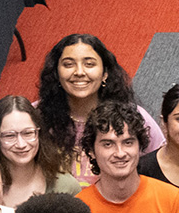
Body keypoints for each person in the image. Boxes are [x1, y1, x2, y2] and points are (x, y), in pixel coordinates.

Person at [36, 33, 164, 184]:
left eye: (89, 64)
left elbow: (161, 163)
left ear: (105, 74)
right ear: (56, 73)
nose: (79, 72)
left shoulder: (132, 116)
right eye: (69, 64)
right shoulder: (36, 116)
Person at [0, 94, 83, 206]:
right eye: (10, 135)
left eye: (28, 133)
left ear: (39, 134)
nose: (21, 144)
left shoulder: (66, 187)